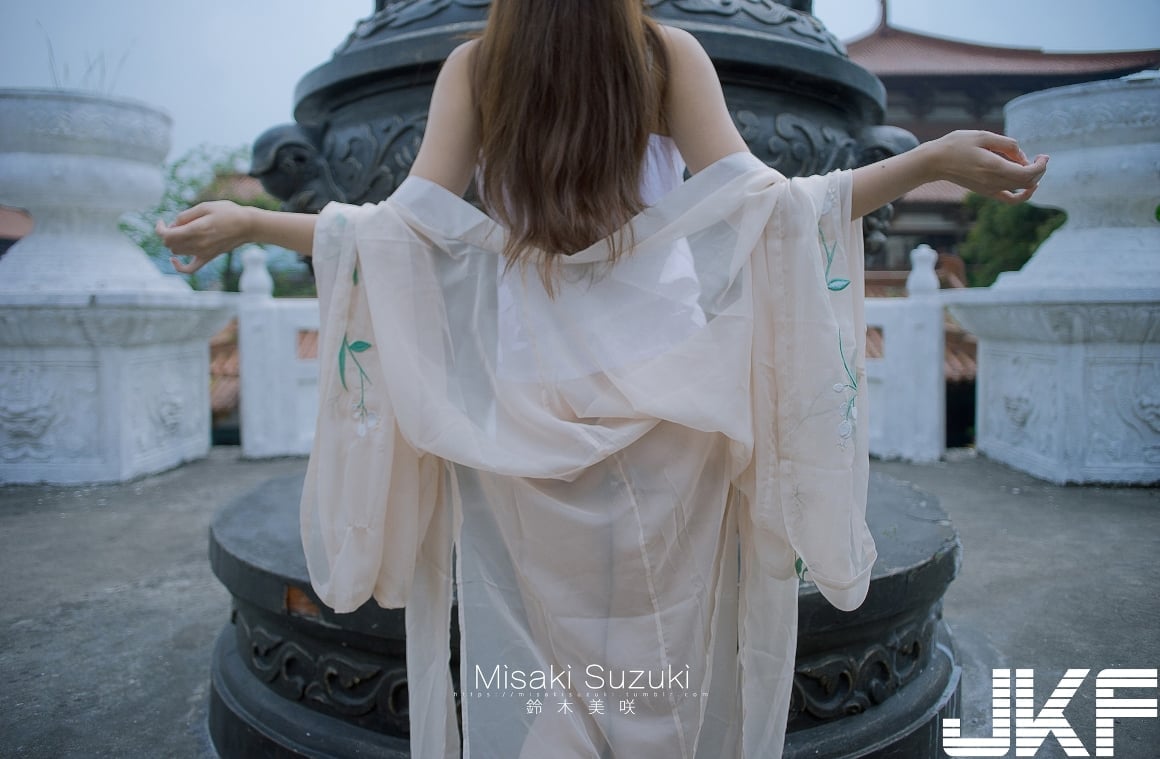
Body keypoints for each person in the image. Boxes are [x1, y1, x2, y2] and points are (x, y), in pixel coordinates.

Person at [159, 3, 1046, 757]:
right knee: (660, 636)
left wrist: (252, 222)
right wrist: (927, 161)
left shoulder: (479, 66)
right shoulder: (663, 55)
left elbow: (397, 234)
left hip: (527, 399)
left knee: (550, 648)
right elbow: (776, 208)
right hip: (671, 389)